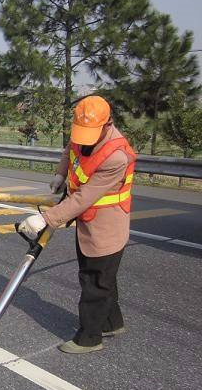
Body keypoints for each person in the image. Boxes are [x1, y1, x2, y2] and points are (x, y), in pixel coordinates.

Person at [18, 96, 136, 353]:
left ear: (108, 124)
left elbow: (84, 197)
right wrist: (61, 175)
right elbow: (69, 151)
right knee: (104, 277)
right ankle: (112, 322)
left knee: (94, 281)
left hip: (107, 226)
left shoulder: (116, 156)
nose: (83, 138)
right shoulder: (82, 135)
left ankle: (89, 338)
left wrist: (45, 218)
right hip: (88, 221)